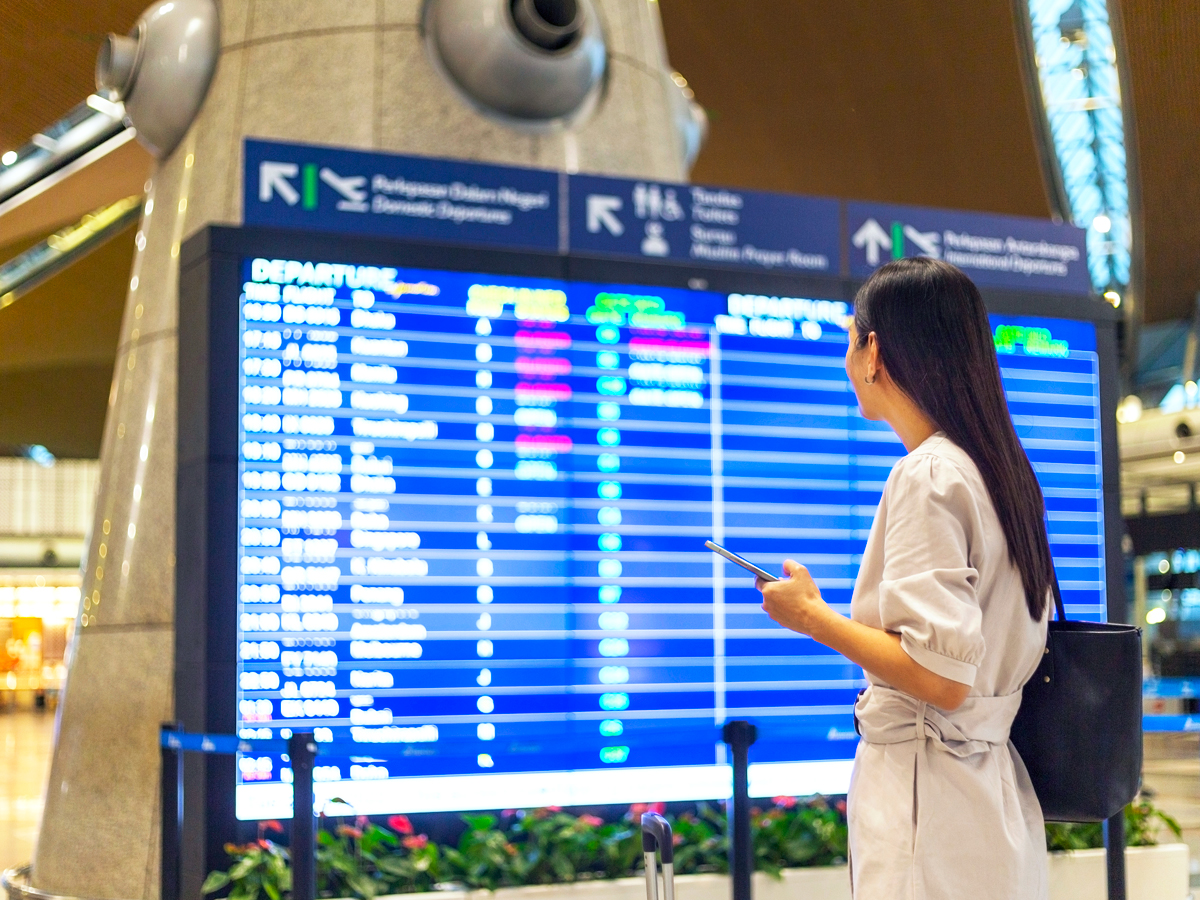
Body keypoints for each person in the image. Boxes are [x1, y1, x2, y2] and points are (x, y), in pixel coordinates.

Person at [757, 257, 1052, 899]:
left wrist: (813, 616)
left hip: (931, 804)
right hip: (991, 799)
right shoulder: (1002, 472)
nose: (846, 362)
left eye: (848, 340)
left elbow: (940, 678)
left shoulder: (928, 474)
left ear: (874, 351)